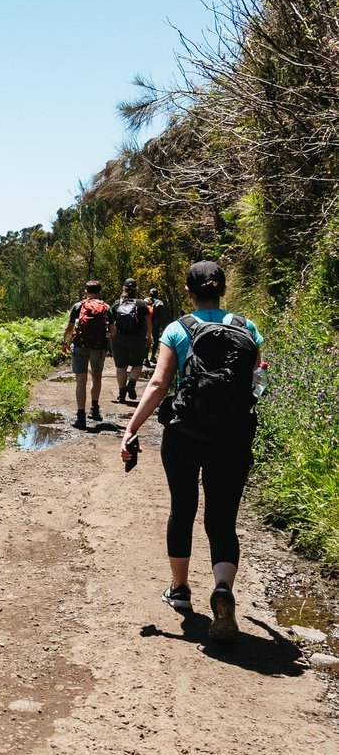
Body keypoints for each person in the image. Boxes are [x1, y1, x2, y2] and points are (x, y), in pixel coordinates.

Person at [119, 261, 263, 644]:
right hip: (231, 436)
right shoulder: (246, 328)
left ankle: (180, 591)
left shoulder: (177, 328)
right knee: (222, 518)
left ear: (188, 292)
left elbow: (159, 383)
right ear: (223, 289)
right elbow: (254, 382)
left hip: (183, 433)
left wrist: (132, 428)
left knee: (182, 508)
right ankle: (222, 588)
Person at [61, 280, 111, 430]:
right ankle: (95, 410)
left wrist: (65, 342)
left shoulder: (78, 306)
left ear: (85, 291)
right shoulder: (106, 307)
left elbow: (69, 329)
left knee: (81, 380)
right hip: (98, 348)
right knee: (96, 377)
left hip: (80, 346)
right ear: (99, 292)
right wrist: (104, 336)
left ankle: (81, 418)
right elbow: (113, 331)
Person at [109, 278, 153, 404]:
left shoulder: (117, 303)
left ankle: (121, 395)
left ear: (123, 288)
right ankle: (131, 384)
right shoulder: (141, 303)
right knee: (137, 364)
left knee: (120, 365)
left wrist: (109, 335)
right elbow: (148, 322)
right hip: (136, 337)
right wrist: (148, 336)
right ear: (136, 289)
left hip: (118, 337)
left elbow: (110, 321)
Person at [145, 286, 168, 362]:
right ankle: (153, 356)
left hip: (146, 324)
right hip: (155, 325)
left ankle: (146, 359)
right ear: (157, 294)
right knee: (155, 340)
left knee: (146, 339)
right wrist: (165, 327)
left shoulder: (145, 301)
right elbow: (163, 317)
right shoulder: (159, 303)